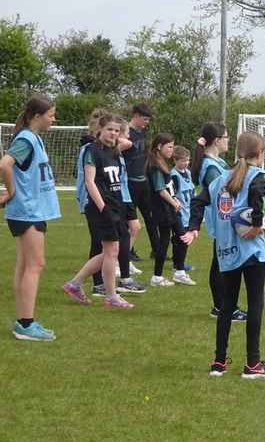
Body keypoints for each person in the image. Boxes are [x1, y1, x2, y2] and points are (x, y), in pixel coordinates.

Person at [183, 131, 265, 379]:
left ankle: (219, 363)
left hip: (226, 250)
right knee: (255, 305)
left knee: (226, 307)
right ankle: (253, 365)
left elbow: (197, 202)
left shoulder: (220, 179)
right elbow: (257, 195)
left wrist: (193, 227)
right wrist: (257, 223)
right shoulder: (259, 175)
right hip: (251, 251)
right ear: (260, 154)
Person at [0, 95, 62, 341]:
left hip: (30, 209)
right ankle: (25, 323)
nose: (53, 119)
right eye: (51, 114)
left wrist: (12, 193)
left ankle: (23, 321)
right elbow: (5, 165)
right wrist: (12, 192)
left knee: (25, 265)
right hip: (27, 211)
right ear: (37, 116)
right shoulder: (26, 138)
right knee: (35, 265)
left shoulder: (33, 139)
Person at [63, 112, 136, 309]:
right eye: (109, 129)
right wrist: (103, 208)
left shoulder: (114, 151)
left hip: (116, 205)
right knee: (111, 251)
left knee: (111, 251)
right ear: (99, 130)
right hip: (101, 208)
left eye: (117, 130)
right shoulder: (91, 151)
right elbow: (90, 182)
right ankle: (111, 295)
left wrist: (117, 207)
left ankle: (75, 284)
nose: (114, 133)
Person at [191, 123, 248, 322]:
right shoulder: (211, 167)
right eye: (226, 137)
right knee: (223, 265)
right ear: (216, 140)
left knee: (220, 263)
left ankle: (221, 307)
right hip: (221, 221)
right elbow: (224, 191)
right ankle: (225, 308)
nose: (228, 140)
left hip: (221, 220)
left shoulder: (217, 162)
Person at [146, 133, 192, 286]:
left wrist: (174, 198)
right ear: (159, 147)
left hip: (169, 208)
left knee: (181, 237)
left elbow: (167, 188)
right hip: (163, 209)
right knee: (168, 241)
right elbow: (160, 189)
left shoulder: (161, 163)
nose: (172, 150)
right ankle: (158, 277)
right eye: (170, 146)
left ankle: (179, 271)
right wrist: (173, 202)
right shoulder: (155, 166)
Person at [121, 103, 158, 262]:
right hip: (129, 182)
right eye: (144, 119)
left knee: (151, 217)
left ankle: (157, 250)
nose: (146, 122)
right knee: (129, 219)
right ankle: (128, 251)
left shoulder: (141, 133)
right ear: (135, 115)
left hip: (143, 181)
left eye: (148, 119)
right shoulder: (125, 134)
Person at [171, 145, 196, 278]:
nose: (185, 163)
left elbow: (191, 189)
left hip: (189, 210)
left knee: (185, 237)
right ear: (175, 160)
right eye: (182, 160)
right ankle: (178, 264)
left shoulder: (188, 172)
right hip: (180, 211)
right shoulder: (173, 175)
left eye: (187, 160)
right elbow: (172, 194)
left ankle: (180, 261)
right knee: (182, 238)